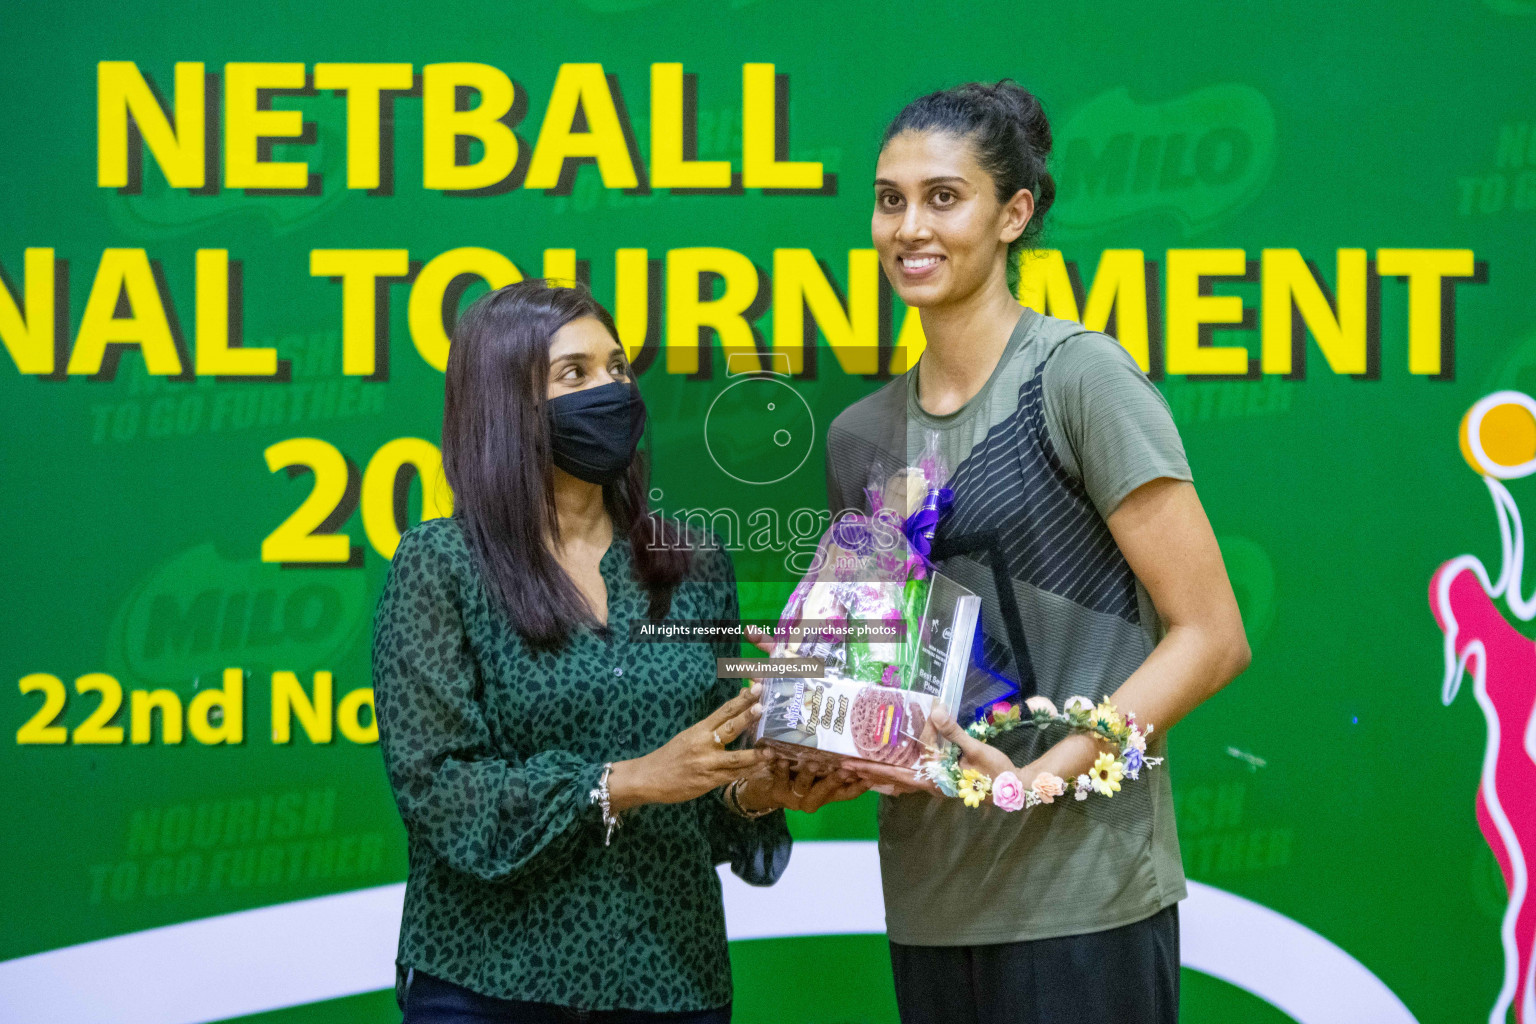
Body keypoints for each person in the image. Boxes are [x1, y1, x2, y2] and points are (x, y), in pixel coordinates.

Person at [831, 83, 1252, 1023]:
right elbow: (876, 675)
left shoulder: (1078, 378)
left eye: (945, 196)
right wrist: (818, 748)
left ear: (1014, 213)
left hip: (1083, 892)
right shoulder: (859, 437)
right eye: (890, 199)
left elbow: (1212, 636)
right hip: (931, 902)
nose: (909, 226)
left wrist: (1035, 780)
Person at [372, 281, 863, 1024]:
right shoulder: (441, 565)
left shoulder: (691, 560)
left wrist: (761, 786)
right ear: (507, 406)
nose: (612, 391)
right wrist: (624, 782)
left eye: (619, 367)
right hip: (489, 986)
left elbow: (708, 795)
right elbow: (441, 793)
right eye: (575, 375)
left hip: (671, 979)